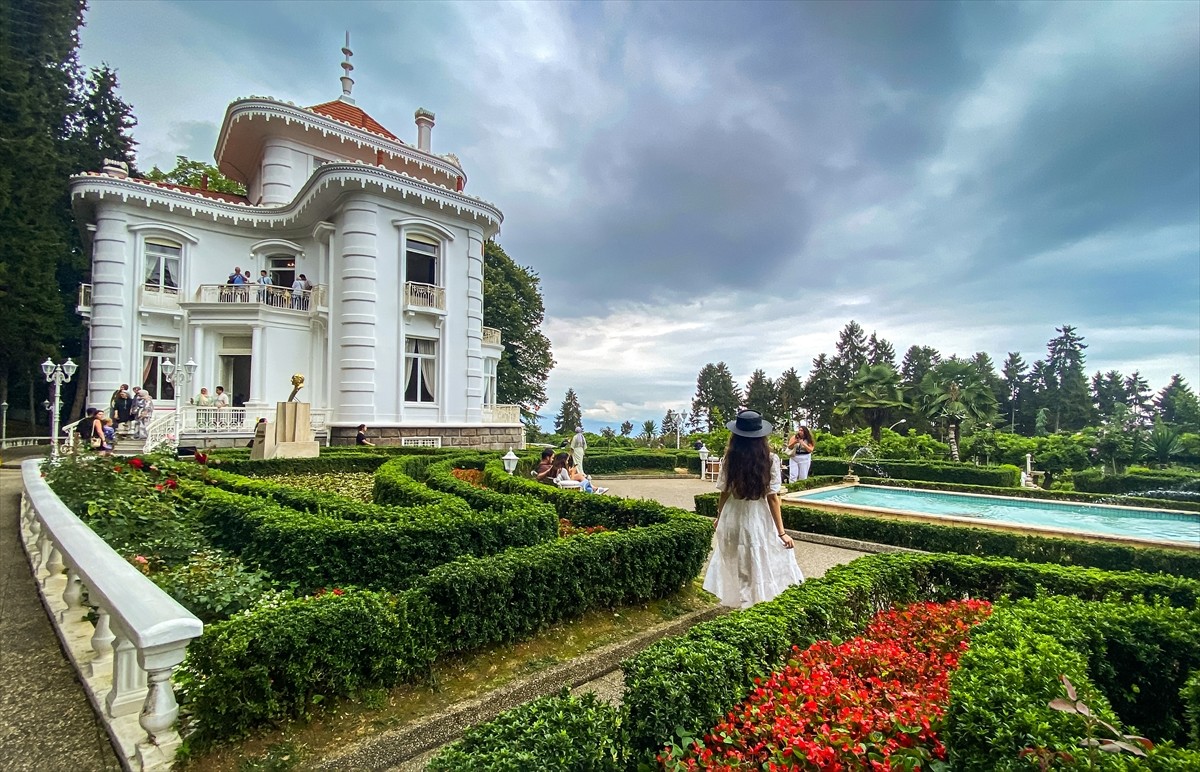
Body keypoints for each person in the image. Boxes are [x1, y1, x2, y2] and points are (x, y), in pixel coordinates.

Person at [702, 410, 804, 609]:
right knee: (756, 557)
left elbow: (723, 492)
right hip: (756, 516)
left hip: (732, 515)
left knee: (736, 558)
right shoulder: (770, 459)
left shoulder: (729, 458)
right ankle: (753, 601)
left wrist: (719, 517)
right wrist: (781, 533)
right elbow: (773, 497)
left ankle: (742, 600)